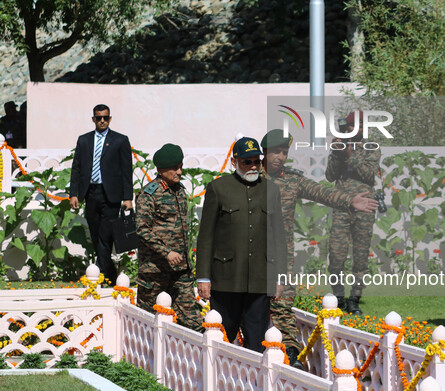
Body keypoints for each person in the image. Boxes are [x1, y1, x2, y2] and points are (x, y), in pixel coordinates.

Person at [260, 129, 378, 367]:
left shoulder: (292, 180)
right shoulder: (251, 179)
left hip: (281, 258)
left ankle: (291, 356)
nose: (280, 157)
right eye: (275, 152)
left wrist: (350, 201)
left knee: (283, 306)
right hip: (250, 256)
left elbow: (323, 192)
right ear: (264, 152)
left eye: (284, 152)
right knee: (250, 310)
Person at [196, 137, 287, 353]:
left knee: (257, 343)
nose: (253, 166)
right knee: (222, 340)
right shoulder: (218, 188)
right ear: (234, 162)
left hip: (260, 280)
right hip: (226, 280)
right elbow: (206, 236)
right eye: (247, 162)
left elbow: (279, 238)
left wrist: (280, 277)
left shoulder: (271, 190)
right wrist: (203, 277)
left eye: (257, 161)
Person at [136, 144, 203, 332]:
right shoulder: (149, 194)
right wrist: (166, 252)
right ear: (161, 169)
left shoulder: (180, 191)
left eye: (180, 166)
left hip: (180, 269)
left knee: (193, 320)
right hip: (154, 270)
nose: (179, 172)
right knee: (147, 319)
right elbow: (142, 230)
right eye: (175, 168)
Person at [70, 104, 133, 285]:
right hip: (90, 193)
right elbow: (77, 168)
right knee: (96, 234)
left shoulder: (120, 140)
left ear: (110, 118)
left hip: (111, 195)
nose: (102, 121)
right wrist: (74, 193)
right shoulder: (84, 140)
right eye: (99, 118)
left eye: (105, 117)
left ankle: (101, 274)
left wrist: (128, 197)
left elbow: (126, 170)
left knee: (106, 235)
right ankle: (111, 274)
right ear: (93, 119)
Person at [326, 112, 381, 315]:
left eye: (360, 126)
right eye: (352, 125)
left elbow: (369, 174)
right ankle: (339, 297)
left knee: (360, 256)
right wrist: (337, 153)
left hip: (365, 206)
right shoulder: (340, 146)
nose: (356, 129)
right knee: (336, 255)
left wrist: (350, 155)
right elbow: (330, 175)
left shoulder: (371, 147)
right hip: (342, 205)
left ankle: (355, 299)